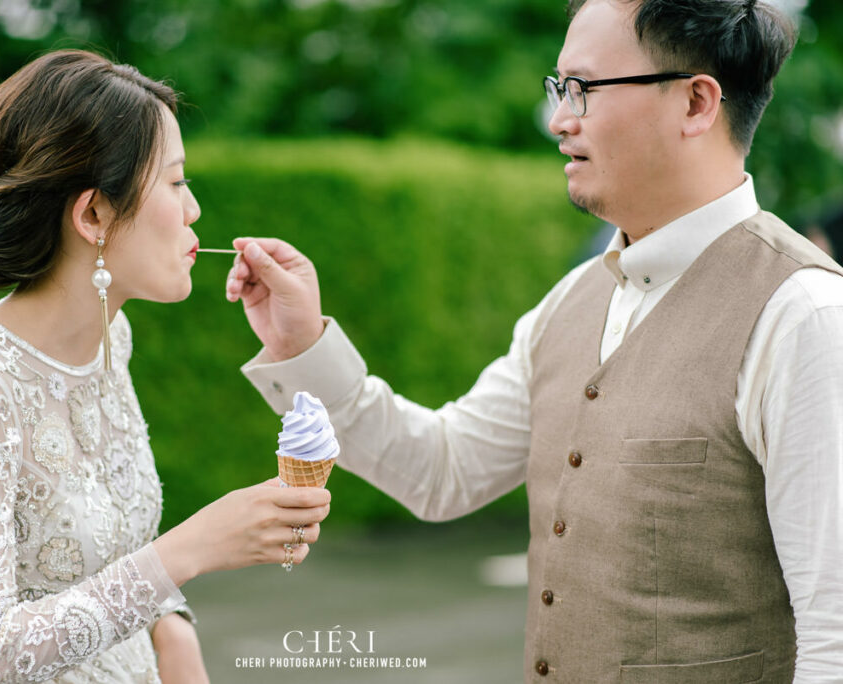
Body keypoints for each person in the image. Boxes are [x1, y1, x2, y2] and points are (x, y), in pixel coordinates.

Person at [224, 0, 843, 681]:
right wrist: (303, 344)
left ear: (697, 103)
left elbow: (832, 632)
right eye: (558, 88)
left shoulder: (803, 313)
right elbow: (441, 471)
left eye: (583, 89)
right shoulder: (569, 302)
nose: (559, 120)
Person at [0, 50, 331, 683]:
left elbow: (115, 552)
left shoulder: (115, 337)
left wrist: (174, 631)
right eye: (176, 181)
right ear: (94, 215)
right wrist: (190, 550)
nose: (194, 210)